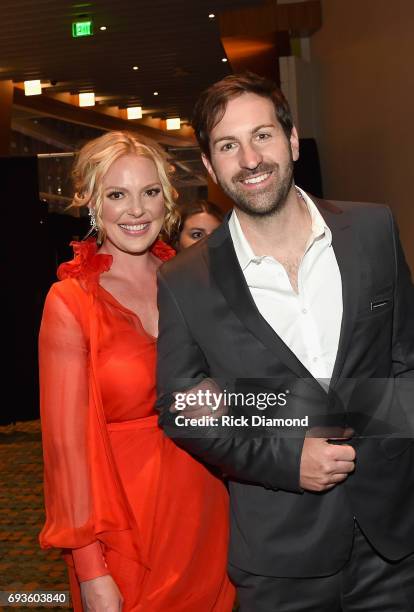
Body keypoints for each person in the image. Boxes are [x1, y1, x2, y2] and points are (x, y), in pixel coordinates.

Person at [156, 73, 414, 610]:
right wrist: (284, 458)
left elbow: (405, 361)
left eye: (263, 135)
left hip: (395, 542)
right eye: (229, 145)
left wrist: (375, 431)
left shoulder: (371, 230)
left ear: (292, 140)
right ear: (210, 165)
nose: (250, 158)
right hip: (281, 560)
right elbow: (186, 407)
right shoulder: (185, 280)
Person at [39, 131, 235, 612]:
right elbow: (66, 454)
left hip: (211, 513)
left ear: (167, 199)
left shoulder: (192, 280)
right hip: (123, 532)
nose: (136, 210)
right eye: (117, 194)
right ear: (91, 201)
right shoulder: (71, 302)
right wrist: (91, 569)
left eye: (149, 192)